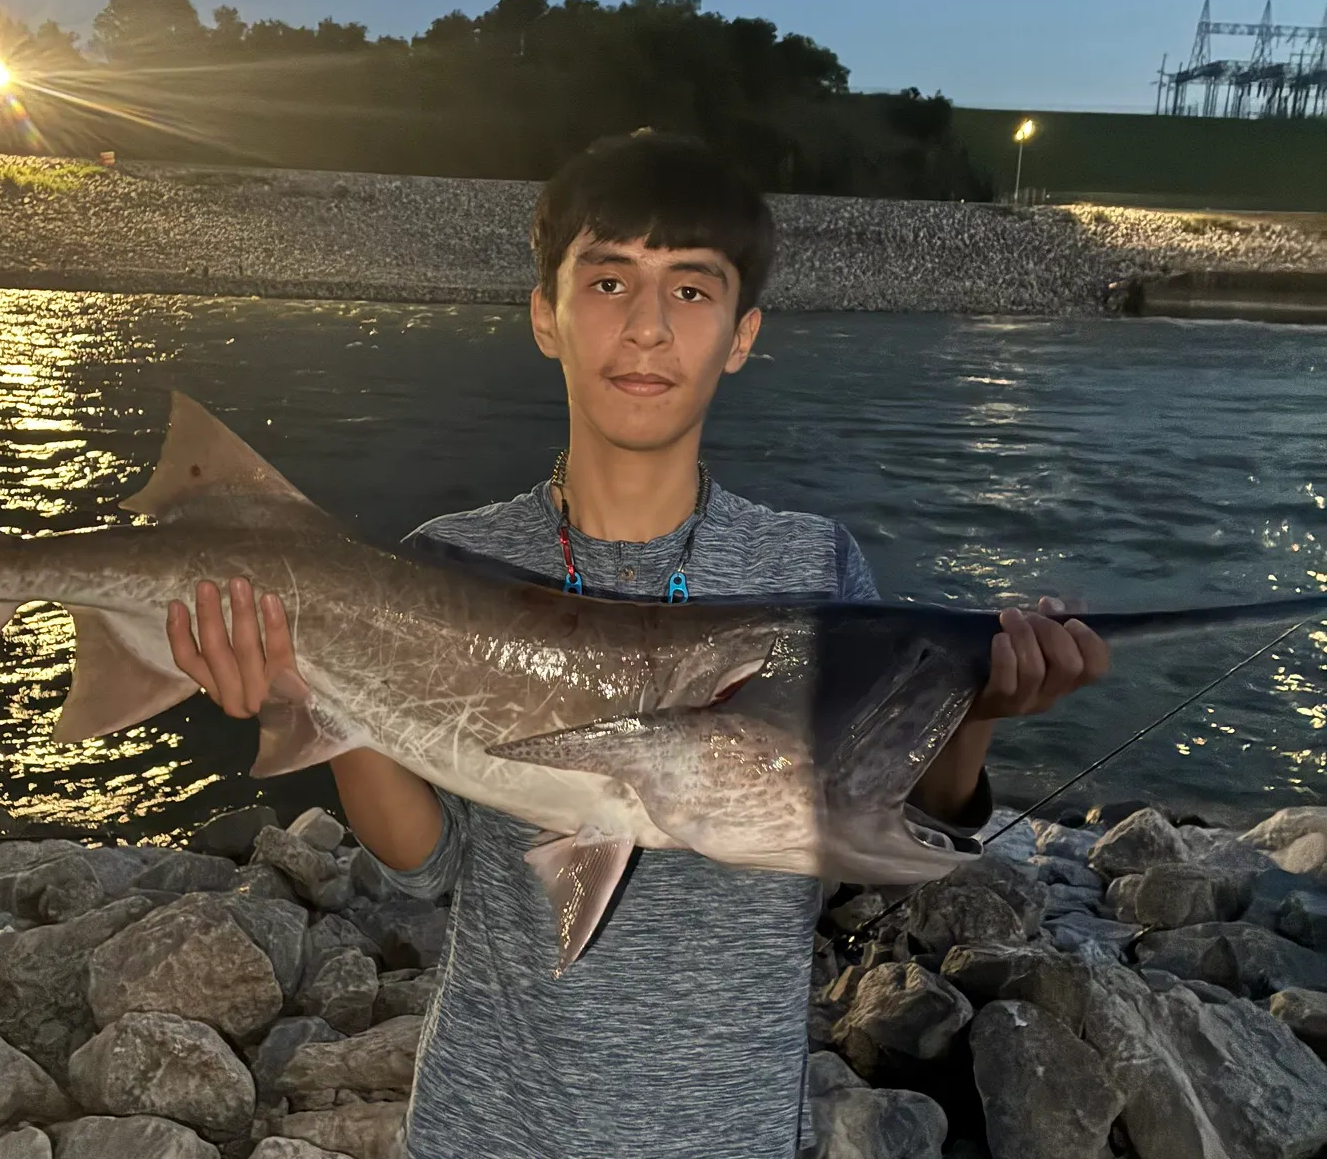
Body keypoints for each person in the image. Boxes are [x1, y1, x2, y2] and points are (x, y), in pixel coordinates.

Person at [165, 129, 1109, 1159]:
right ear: (546, 315)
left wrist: (972, 711)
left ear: (742, 334)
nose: (649, 327)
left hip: (728, 1133)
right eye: (609, 282)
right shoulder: (447, 561)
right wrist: (318, 689)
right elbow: (427, 869)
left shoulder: (813, 566)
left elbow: (877, 837)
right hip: (488, 1122)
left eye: (692, 291)